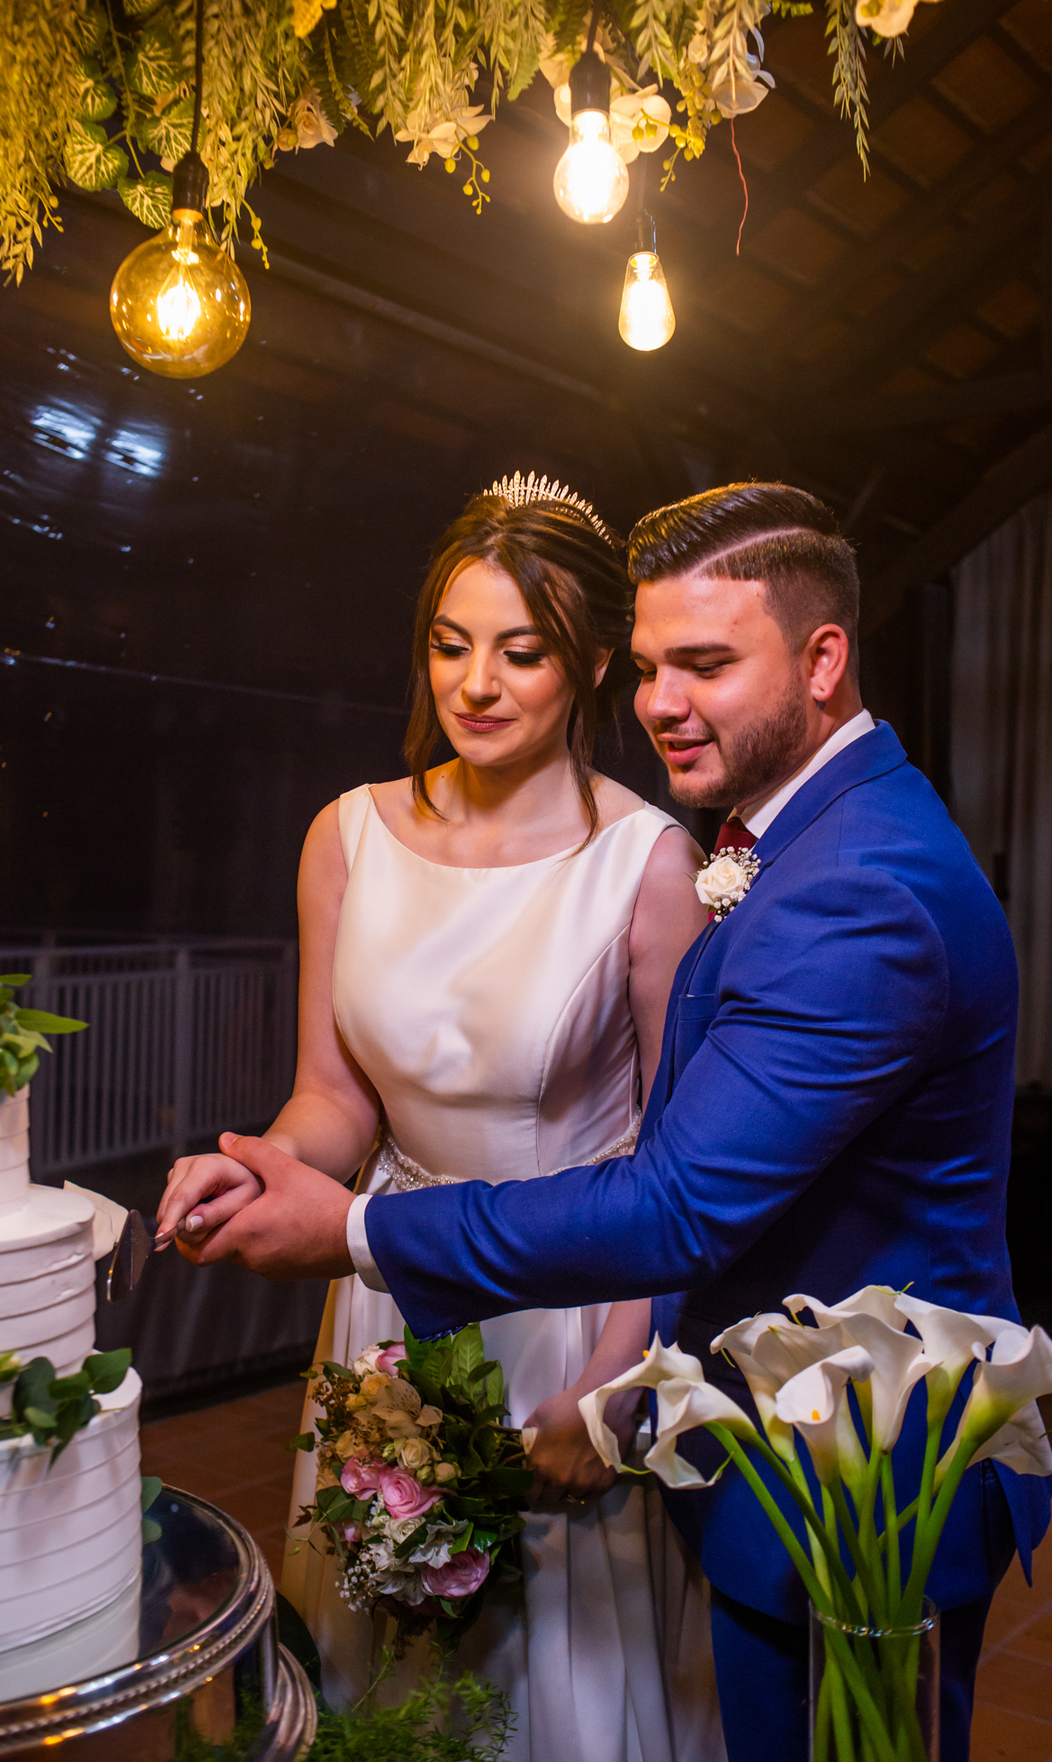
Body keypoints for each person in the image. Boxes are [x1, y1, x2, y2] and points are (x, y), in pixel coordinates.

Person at [158, 481, 1052, 1762]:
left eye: (706, 665)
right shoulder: (802, 836)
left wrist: (358, 1234)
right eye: (650, 666)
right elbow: (344, 1094)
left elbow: (676, 1197)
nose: (662, 702)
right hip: (750, 1432)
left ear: (822, 661)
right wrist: (283, 1169)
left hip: (855, 1485)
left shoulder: (856, 885)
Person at [158, 474, 724, 1762]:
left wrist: (615, 1383)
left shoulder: (649, 864)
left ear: (591, 663)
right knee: (385, 1675)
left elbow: (674, 1165)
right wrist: (263, 1167)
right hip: (388, 1303)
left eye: (520, 652)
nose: (476, 684)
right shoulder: (346, 836)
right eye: (450, 644)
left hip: (568, 1309)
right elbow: (335, 1098)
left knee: (549, 1682)